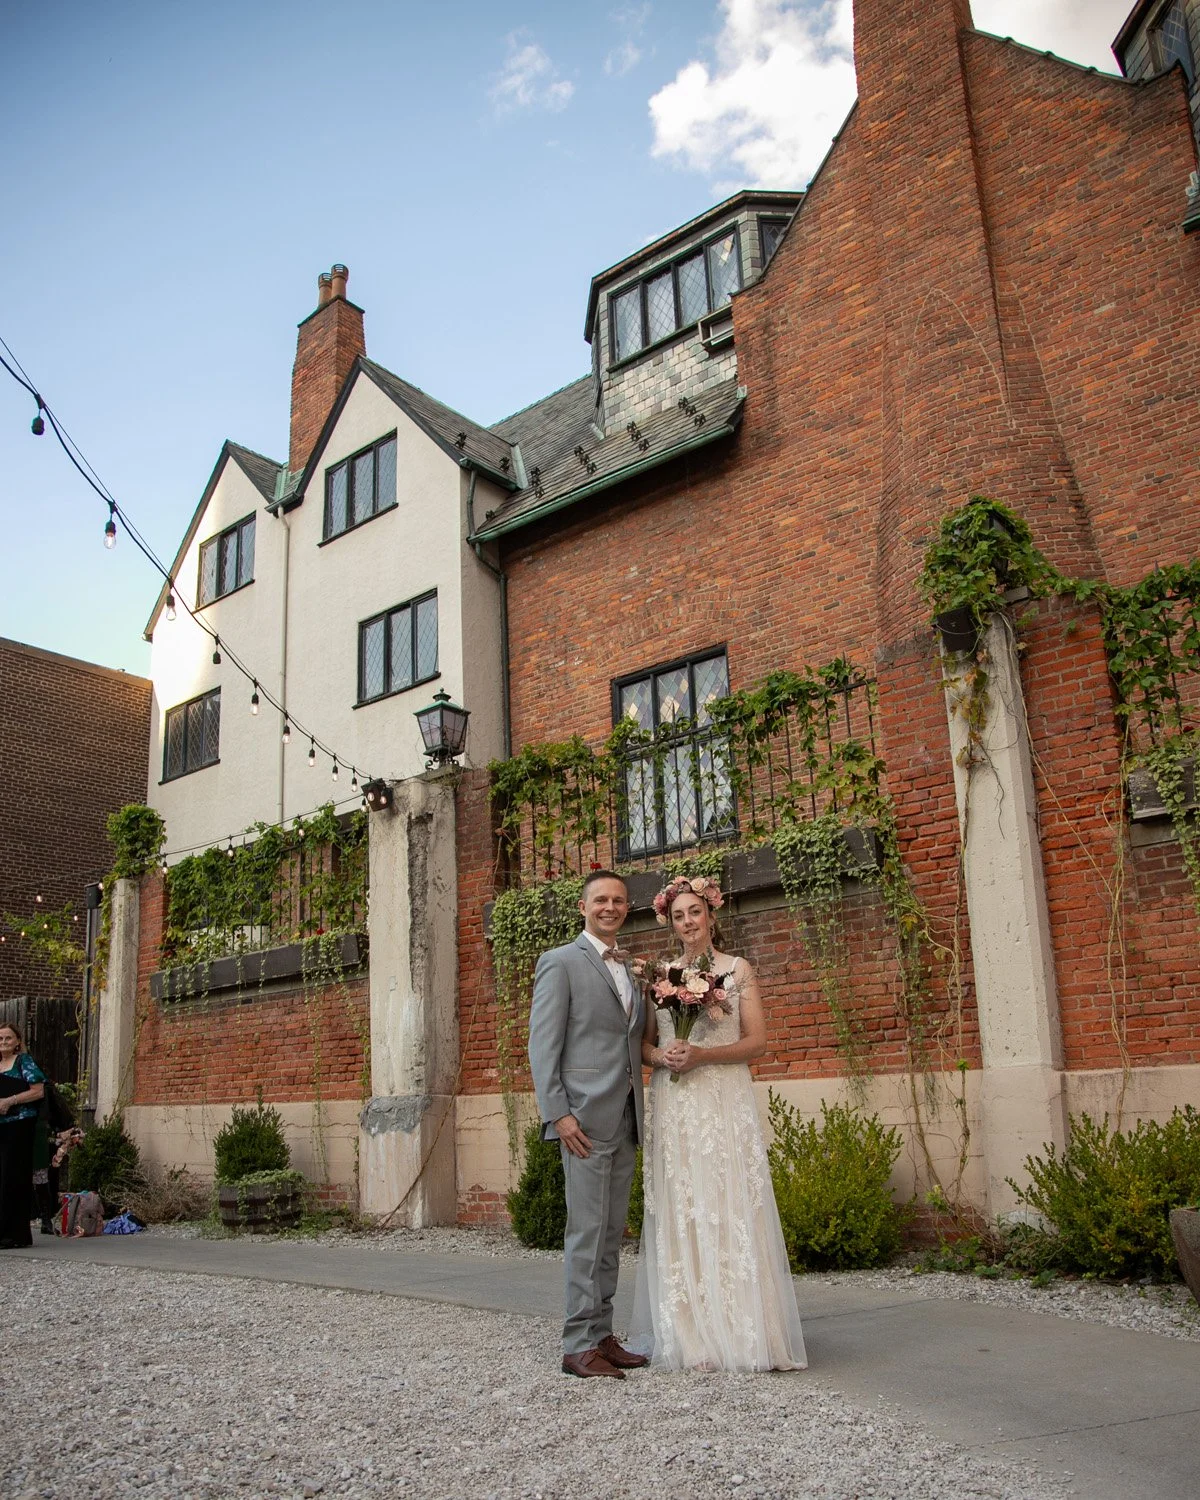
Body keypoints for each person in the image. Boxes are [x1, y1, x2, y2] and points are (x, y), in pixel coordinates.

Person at [629, 875, 807, 1372]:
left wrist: (703, 1054)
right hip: (675, 1101)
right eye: (679, 915)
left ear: (711, 915)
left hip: (721, 1099)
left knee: (727, 1202)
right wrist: (662, 1056)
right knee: (683, 1206)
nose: (688, 922)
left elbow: (758, 1042)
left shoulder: (737, 969)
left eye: (696, 912)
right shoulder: (661, 976)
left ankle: (746, 1331)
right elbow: (643, 1043)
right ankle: (692, 1337)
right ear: (670, 920)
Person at [528, 869, 648, 1380]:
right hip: (581, 1121)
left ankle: (602, 1334)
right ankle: (577, 1343)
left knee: (610, 1233)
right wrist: (558, 1113)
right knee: (585, 1232)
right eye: (600, 899)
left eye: (618, 900)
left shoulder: (631, 968)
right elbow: (542, 1044)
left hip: (624, 1116)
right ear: (582, 906)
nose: (610, 907)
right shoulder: (560, 963)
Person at [0, 1022, 46, 1249]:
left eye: (8, 1038)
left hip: (19, 1125)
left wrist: (10, 1100)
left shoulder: (24, 1062)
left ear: (17, 1041)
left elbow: (38, 1091)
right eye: (0, 1039)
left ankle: (14, 1235)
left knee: (12, 1177)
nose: (4, 1042)